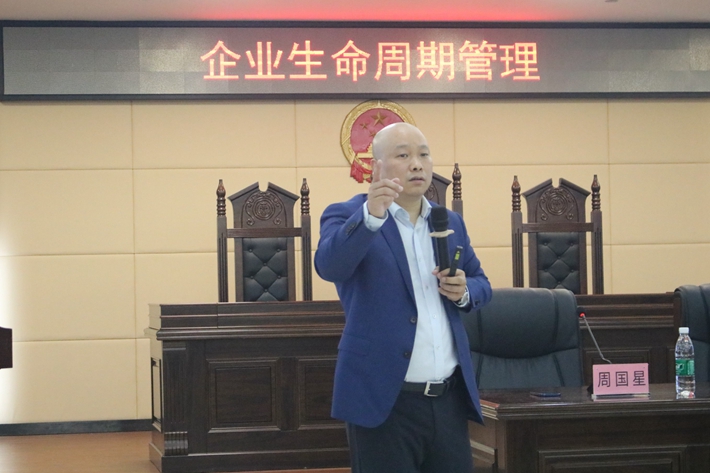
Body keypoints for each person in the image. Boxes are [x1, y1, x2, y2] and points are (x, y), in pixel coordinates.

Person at [314, 122, 492, 473]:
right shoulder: (348, 214)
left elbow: (481, 284)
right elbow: (330, 266)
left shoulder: (448, 221)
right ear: (376, 166)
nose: (417, 164)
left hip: (448, 400)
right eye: (403, 155)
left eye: (424, 155)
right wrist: (371, 216)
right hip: (383, 401)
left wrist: (464, 291)